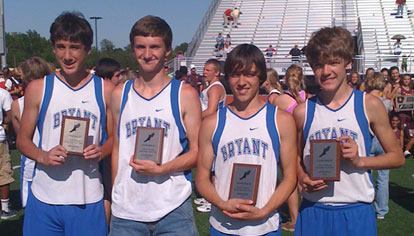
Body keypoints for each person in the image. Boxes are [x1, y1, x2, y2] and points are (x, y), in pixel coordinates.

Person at [294, 27, 405, 236]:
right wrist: (301, 176)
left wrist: (360, 161)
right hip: (313, 210)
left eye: (333, 62)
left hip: (356, 210)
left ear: (348, 63)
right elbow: (294, 158)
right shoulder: (303, 111)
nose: (325, 71)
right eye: (318, 65)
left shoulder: (368, 104)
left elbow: (397, 157)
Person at [17, 12, 114, 235]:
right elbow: (22, 139)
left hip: (87, 196)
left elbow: (115, 139)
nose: (67, 55)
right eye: (61, 47)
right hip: (45, 197)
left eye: (75, 47)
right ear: (53, 49)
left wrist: (101, 150)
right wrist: (42, 156)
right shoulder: (39, 88)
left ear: (88, 50)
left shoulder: (105, 90)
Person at [109, 15, 200, 235]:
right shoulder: (120, 94)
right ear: (132, 49)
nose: (147, 54)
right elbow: (116, 148)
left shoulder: (184, 94)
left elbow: (199, 152)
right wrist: (116, 192)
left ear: (168, 49)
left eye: (154, 47)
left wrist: (162, 169)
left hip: (172, 208)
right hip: (126, 212)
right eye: (141, 47)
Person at [196, 43, 297, 235]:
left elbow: (290, 177)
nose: (241, 82)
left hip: (265, 226)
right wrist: (222, 204)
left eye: (249, 74)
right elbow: (201, 178)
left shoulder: (281, 120)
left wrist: (264, 211)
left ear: (260, 77)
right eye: (235, 74)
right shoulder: (212, 123)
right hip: (223, 226)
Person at [10, 57, 54, 209]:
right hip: (50, 158)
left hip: (32, 160)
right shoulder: (56, 98)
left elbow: (20, 136)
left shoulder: (17, 105)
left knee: (32, 211)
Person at [272, 64, 306, 232]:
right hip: (304, 143)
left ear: (285, 79)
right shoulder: (306, 96)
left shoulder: (280, 100)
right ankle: (303, 215)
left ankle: (294, 220)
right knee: (302, 179)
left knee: (289, 180)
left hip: (287, 144)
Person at [365, 72, 393, 220]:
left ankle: (366, 205)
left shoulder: (363, 100)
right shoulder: (386, 102)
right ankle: (381, 210)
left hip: (369, 137)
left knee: (365, 174)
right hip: (383, 140)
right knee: (383, 178)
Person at [0, 81, 14, 220]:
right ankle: (4, 208)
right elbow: (10, 114)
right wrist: (4, 123)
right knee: (3, 172)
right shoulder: (3, 93)